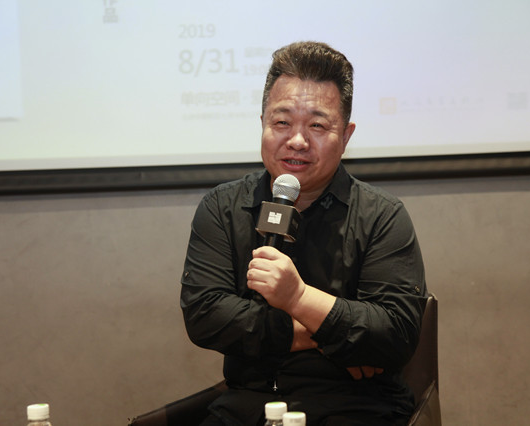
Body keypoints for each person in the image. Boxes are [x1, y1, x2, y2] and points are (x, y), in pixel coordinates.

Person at [180, 41, 427, 426]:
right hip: (247, 405)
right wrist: (325, 331)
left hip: (355, 407)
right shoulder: (223, 207)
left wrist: (297, 297)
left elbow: (394, 334)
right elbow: (205, 315)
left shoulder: (381, 215)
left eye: (317, 125)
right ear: (262, 123)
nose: (297, 140)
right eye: (282, 123)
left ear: (346, 136)